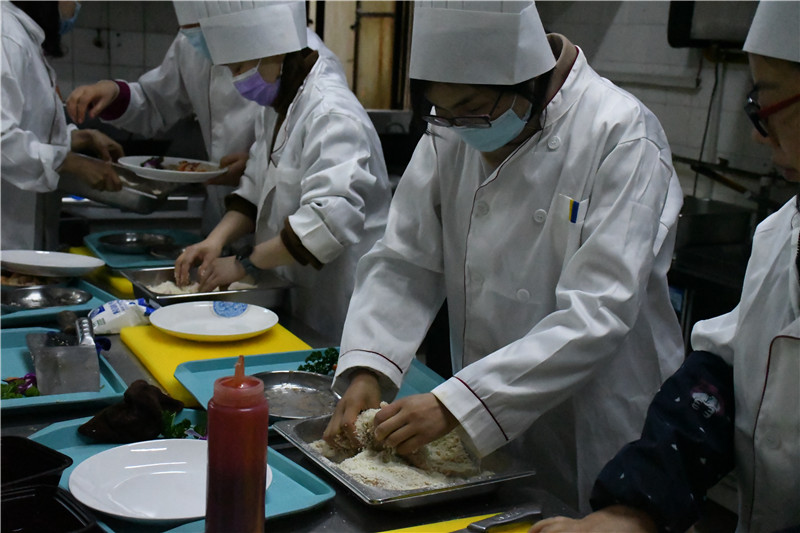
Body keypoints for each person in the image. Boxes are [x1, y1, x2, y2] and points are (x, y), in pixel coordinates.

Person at [324, 0, 685, 512]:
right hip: (488, 410)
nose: (460, 126)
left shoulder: (621, 133)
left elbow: (598, 311)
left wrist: (458, 403)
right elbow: (406, 260)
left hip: (596, 414)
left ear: (529, 77)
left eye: (473, 107)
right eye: (442, 110)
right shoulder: (451, 128)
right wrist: (369, 368)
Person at [530, 2, 800, 532]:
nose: (757, 133)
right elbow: (719, 383)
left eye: (767, 102)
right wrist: (636, 509)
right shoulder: (782, 234)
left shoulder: (624, 133)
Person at [173, 0, 391, 342]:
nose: (238, 81)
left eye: (239, 67)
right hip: (302, 297)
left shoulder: (332, 114)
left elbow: (327, 222)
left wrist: (244, 263)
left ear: (274, 49)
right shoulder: (277, 106)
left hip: (345, 307)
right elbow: (254, 188)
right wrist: (215, 241)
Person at [64, 1, 261, 235]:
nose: (195, 34)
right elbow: (155, 103)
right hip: (220, 218)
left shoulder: (278, 47)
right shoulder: (191, 42)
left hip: (272, 220)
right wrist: (115, 95)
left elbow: (294, 142)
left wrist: (259, 167)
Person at [2, 1, 123, 250]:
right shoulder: (6, 35)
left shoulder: (22, 36)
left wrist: (78, 139)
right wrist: (69, 162)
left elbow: (28, 127)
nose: (77, 5)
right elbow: (3, 140)